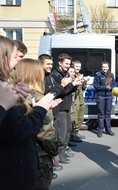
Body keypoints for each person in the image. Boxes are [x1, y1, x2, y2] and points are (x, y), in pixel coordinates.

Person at [0, 35, 57, 189]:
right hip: (13, 175)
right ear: (4, 58)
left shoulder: (5, 86)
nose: (18, 63)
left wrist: (19, 102)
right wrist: (40, 109)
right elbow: (17, 130)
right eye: (15, 57)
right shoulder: (1, 88)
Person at [14, 58, 63, 189]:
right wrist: (55, 153)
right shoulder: (39, 98)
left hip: (16, 158)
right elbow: (46, 133)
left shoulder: (12, 96)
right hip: (38, 158)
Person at [51, 53, 82, 164]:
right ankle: (59, 154)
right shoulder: (56, 75)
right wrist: (71, 84)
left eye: (69, 64)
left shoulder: (65, 73)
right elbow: (60, 92)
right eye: (66, 63)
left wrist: (75, 85)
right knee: (61, 133)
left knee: (68, 129)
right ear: (60, 63)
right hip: (60, 108)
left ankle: (64, 150)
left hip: (67, 106)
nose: (68, 66)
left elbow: (67, 90)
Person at [93, 61, 116, 138]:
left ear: (108, 67)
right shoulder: (98, 75)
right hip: (101, 96)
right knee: (101, 113)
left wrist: (111, 88)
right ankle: (100, 131)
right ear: (101, 67)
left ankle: (108, 130)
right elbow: (96, 85)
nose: (105, 68)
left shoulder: (111, 75)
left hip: (109, 96)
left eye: (106, 67)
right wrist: (105, 88)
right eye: (103, 67)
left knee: (108, 113)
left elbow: (114, 85)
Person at [70, 60, 88, 140]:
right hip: (74, 99)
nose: (78, 68)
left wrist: (84, 81)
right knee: (74, 117)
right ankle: (72, 134)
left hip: (80, 98)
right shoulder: (71, 75)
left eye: (79, 67)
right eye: (76, 66)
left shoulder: (81, 75)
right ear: (73, 66)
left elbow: (83, 87)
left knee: (80, 116)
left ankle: (76, 132)